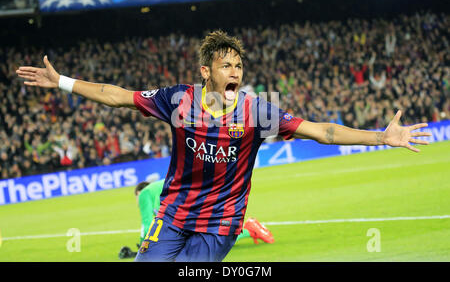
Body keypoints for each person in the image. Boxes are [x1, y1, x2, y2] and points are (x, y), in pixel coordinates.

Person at [16, 30, 431, 262]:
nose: (235, 72)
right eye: (226, 65)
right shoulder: (179, 101)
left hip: (220, 222)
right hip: (174, 214)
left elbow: (322, 132)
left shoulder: (256, 111)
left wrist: (381, 136)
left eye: (239, 65)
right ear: (206, 72)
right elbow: (117, 94)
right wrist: (62, 82)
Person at [119, 179, 274, 259]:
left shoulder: (145, 193)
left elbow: (147, 224)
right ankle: (248, 229)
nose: (137, 202)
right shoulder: (157, 191)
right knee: (209, 234)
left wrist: (142, 249)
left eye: (136, 198)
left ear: (139, 192)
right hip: (197, 197)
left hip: (188, 204)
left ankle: (248, 228)